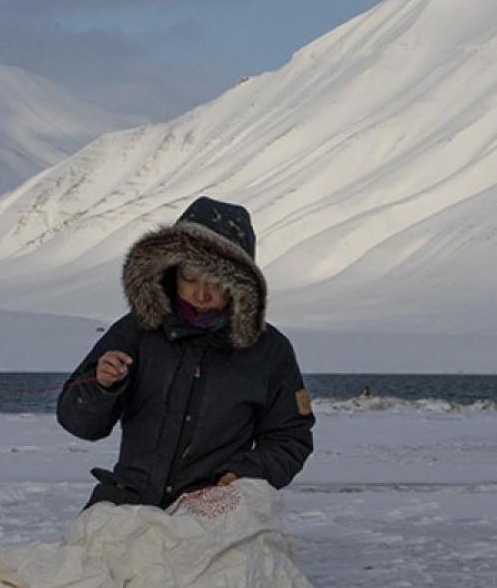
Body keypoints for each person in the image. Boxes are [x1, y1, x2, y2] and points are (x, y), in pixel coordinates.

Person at [57, 196, 315, 510]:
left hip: (216, 506)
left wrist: (244, 475)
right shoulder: (137, 330)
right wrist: (101, 386)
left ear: (239, 286)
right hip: (128, 503)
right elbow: (78, 422)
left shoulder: (268, 351)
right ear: (171, 271)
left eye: (215, 283)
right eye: (190, 278)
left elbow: (290, 437)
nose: (201, 293)